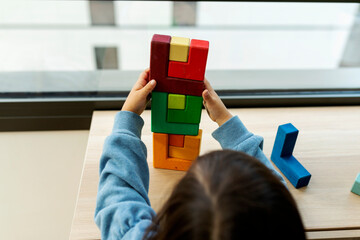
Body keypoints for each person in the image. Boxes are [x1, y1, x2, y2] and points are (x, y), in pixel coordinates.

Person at [95, 69, 306, 240]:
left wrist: (128, 118)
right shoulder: (279, 228)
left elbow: (116, 199)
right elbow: (274, 189)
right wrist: (225, 120)